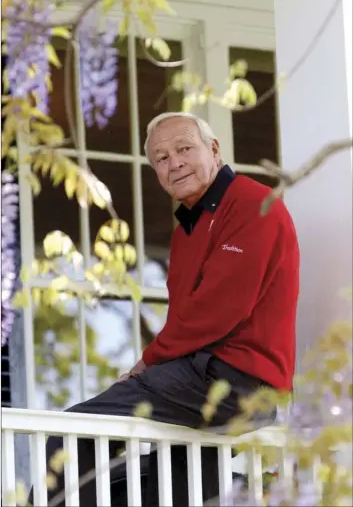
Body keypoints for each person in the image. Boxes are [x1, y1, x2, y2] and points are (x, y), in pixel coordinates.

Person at [30, 112, 300, 506]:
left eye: (184, 149)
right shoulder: (187, 230)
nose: (173, 163)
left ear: (213, 150)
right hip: (205, 381)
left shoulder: (253, 203)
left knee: (75, 433)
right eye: (160, 158)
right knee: (158, 488)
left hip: (234, 380)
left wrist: (147, 363)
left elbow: (219, 310)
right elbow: (187, 320)